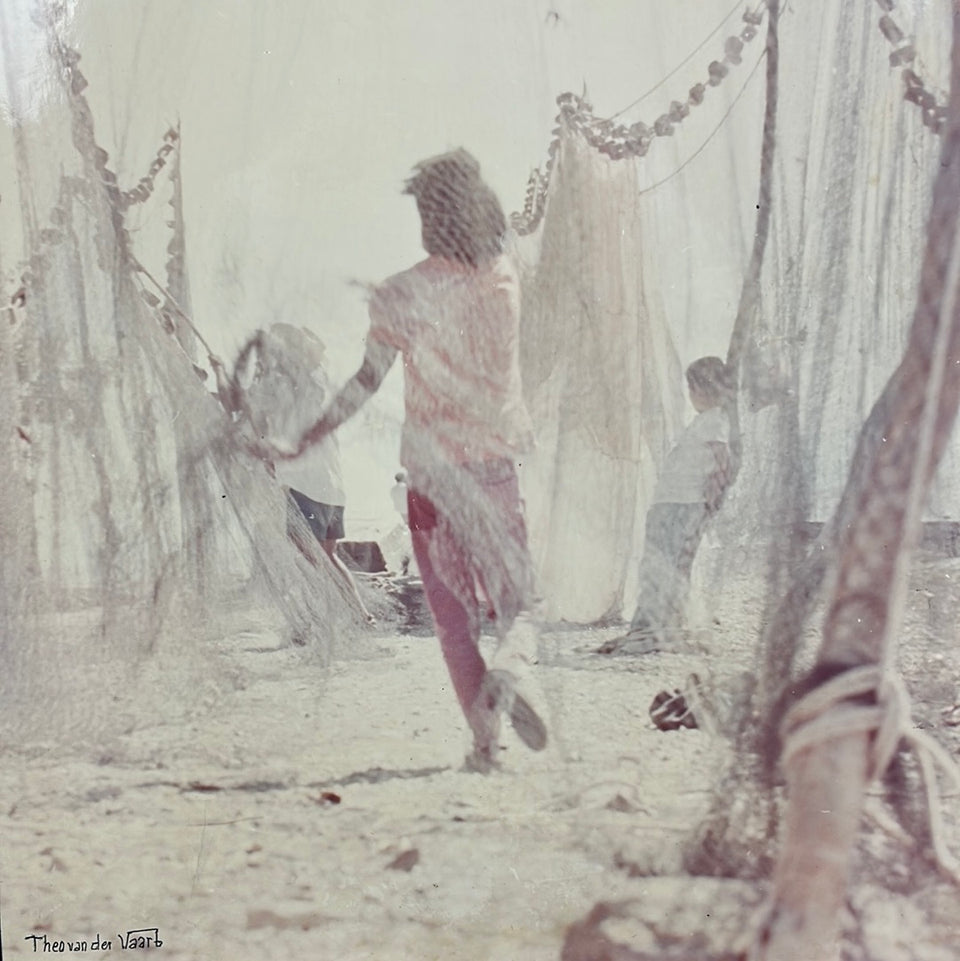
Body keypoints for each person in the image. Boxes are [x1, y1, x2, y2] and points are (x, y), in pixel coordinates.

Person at [262, 149, 547, 771]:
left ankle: (484, 746)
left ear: (426, 218)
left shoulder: (399, 293)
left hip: (427, 477)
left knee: (451, 620)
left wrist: (303, 439)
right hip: (493, 467)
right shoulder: (503, 277)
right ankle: (512, 668)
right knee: (516, 604)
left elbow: (363, 384)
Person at [235, 323, 376, 627]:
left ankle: (317, 621)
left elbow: (247, 411)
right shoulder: (317, 380)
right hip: (332, 488)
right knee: (327, 558)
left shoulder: (281, 384)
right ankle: (360, 614)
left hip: (305, 484)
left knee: (309, 557)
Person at [601, 356, 733, 655]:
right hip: (673, 502)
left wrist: (713, 497)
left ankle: (656, 625)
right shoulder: (705, 421)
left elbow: (722, 462)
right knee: (661, 562)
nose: (691, 395)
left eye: (693, 388)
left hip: (682, 503)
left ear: (705, 389)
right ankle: (659, 622)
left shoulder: (714, 420)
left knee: (663, 563)